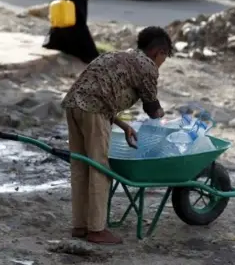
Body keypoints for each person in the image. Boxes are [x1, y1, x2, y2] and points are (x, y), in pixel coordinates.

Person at [61, 26, 173, 244]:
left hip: (73, 106)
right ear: (158, 52)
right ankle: (96, 229)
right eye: (165, 57)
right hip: (94, 111)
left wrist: (123, 125)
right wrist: (166, 119)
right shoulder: (147, 65)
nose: (162, 62)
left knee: (80, 167)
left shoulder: (121, 56)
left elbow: (101, 92)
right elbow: (152, 109)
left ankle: (80, 225)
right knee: (99, 168)